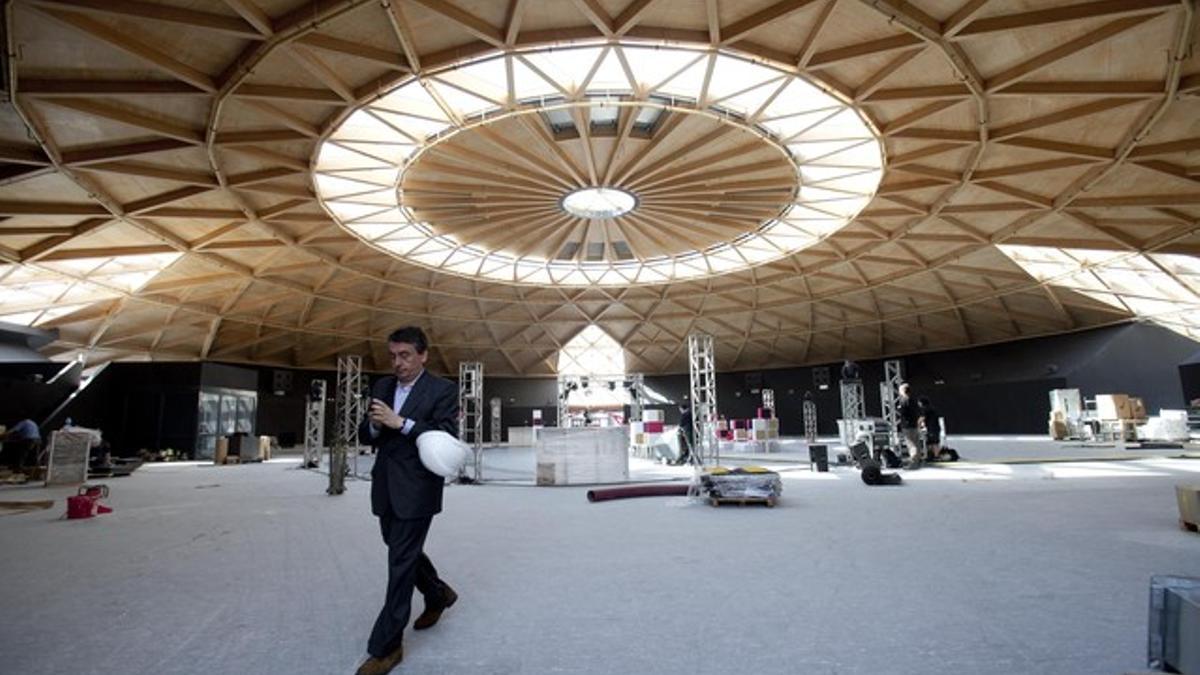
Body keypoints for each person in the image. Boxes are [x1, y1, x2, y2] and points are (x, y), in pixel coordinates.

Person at [356, 326, 460, 675]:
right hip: (385, 485)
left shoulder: (443, 390)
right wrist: (373, 426)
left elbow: (446, 436)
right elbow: (366, 432)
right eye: (393, 356)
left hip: (417, 488)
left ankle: (386, 647)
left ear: (423, 355)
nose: (397, 363)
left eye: (405, 355)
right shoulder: (382, 386)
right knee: (400, 548)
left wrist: (400, 423)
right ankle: (437, 594)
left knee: (400, 562)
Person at [895, 383, 923, 469]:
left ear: (903, 391)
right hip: (914, 424)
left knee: (911, 444)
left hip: (907, 425)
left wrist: (899, 408)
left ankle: (913, 463)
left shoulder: (904, 400)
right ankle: (917, 461)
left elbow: (902, 412)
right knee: (916, 443)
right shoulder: (914, 400)